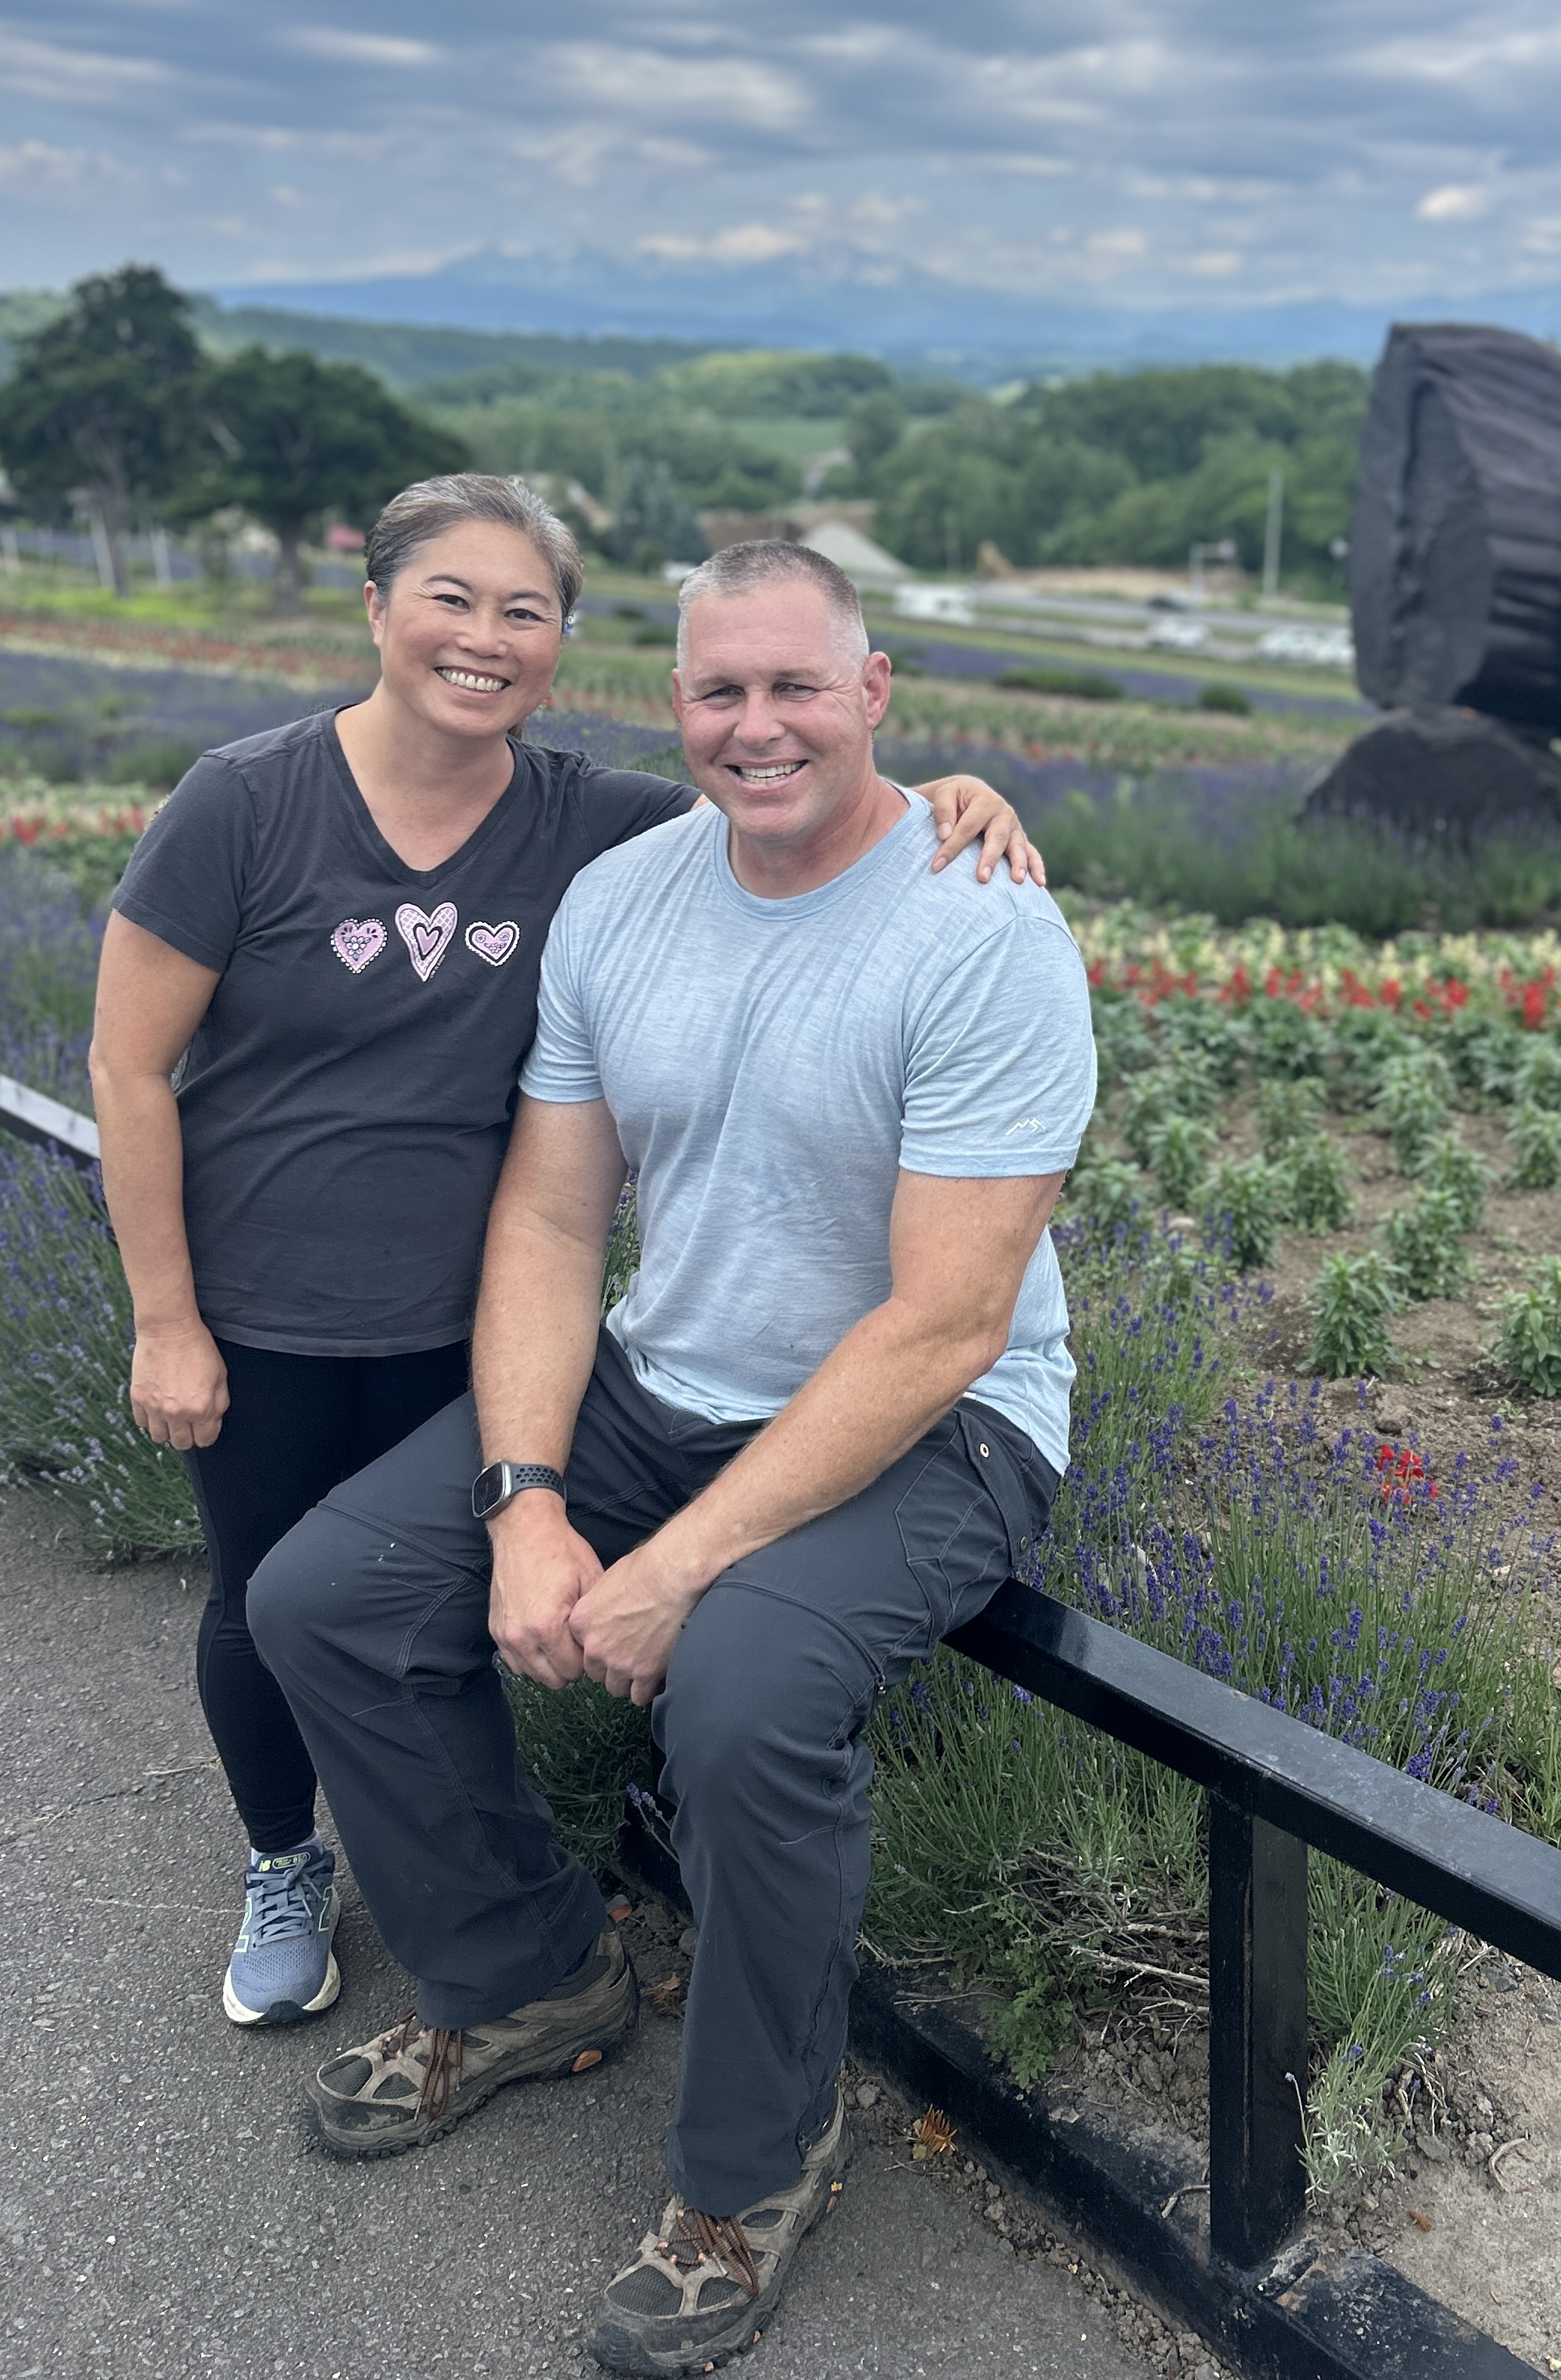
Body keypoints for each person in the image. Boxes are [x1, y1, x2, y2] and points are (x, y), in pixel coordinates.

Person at [247, 536, 1096, 2378]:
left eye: (799, 686)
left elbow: (947, 1323)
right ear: (676, 702)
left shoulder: (982, 930)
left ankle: (755, 2164)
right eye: (721, 690)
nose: (758, 724)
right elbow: (554, 1223)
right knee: (327, 1598)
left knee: (739, 1695)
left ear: (875, 693)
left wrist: (677, 1567)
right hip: (669, 1379)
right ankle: (531, 1972)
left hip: (939, 1422)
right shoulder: (624, 899)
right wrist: (527, 1503)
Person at [87, 476, 1040, 2031]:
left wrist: (947, 795)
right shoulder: (244, 800)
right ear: (377, 608)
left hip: (470, 1316)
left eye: (523, 610)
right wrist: (164, 1318)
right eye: (449, 597)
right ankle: (286, 1860)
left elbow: (788, 792)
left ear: (563, 646)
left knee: (426, 1601)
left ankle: (496, 1899)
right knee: (270, 1599)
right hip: (267, 1304)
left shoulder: (598, 819)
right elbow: (129, 1069)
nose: (484, 636)